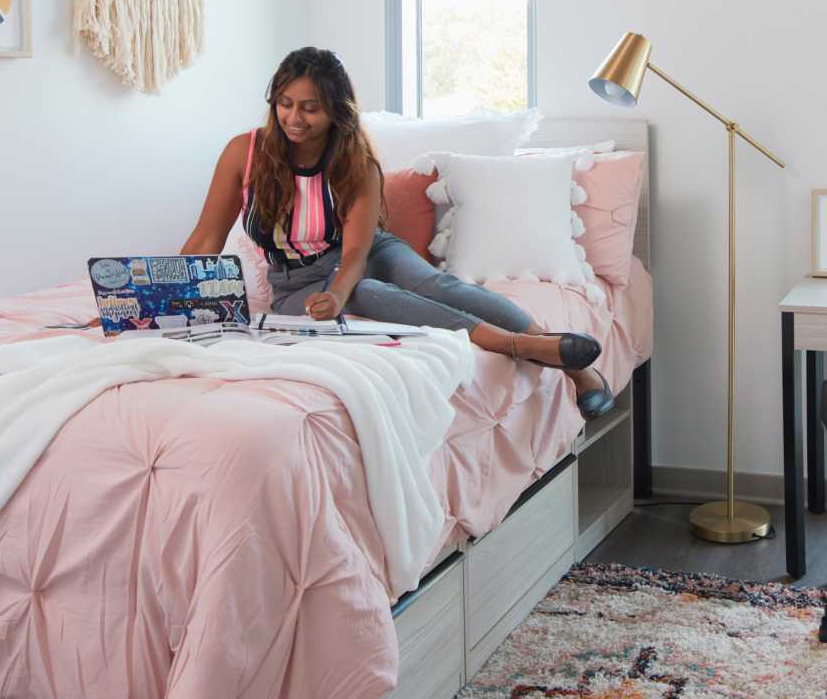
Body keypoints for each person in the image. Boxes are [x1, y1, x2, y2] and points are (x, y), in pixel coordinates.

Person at [181, 46, 614, 419]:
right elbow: (206, 239)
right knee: (372, 295)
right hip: (297, 282)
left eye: (310, 107)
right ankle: (524, 346)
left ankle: (573, 365)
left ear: (335, 110)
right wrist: (169, 291)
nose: (295, 117)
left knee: (431, 283)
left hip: (365, 253)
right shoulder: (245, 152)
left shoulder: (355, 165)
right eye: (285, 103)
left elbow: (354, 257)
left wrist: (337, 294)